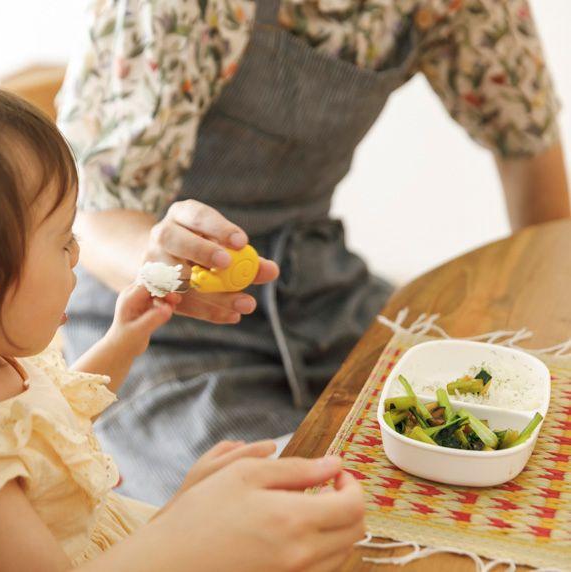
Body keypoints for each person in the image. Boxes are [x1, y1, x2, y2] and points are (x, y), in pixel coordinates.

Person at [0, 82, 366, 571]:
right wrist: (185, 524)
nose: (76, 255)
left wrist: (125, 336)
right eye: (63, 240)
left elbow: (55, 419)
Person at [57, 0, 571, 503]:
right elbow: (92, 218)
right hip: (152, 332)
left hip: (323, 293)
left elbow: (537, 177)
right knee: (292, 512)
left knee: (499, 444)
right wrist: (162, 270)